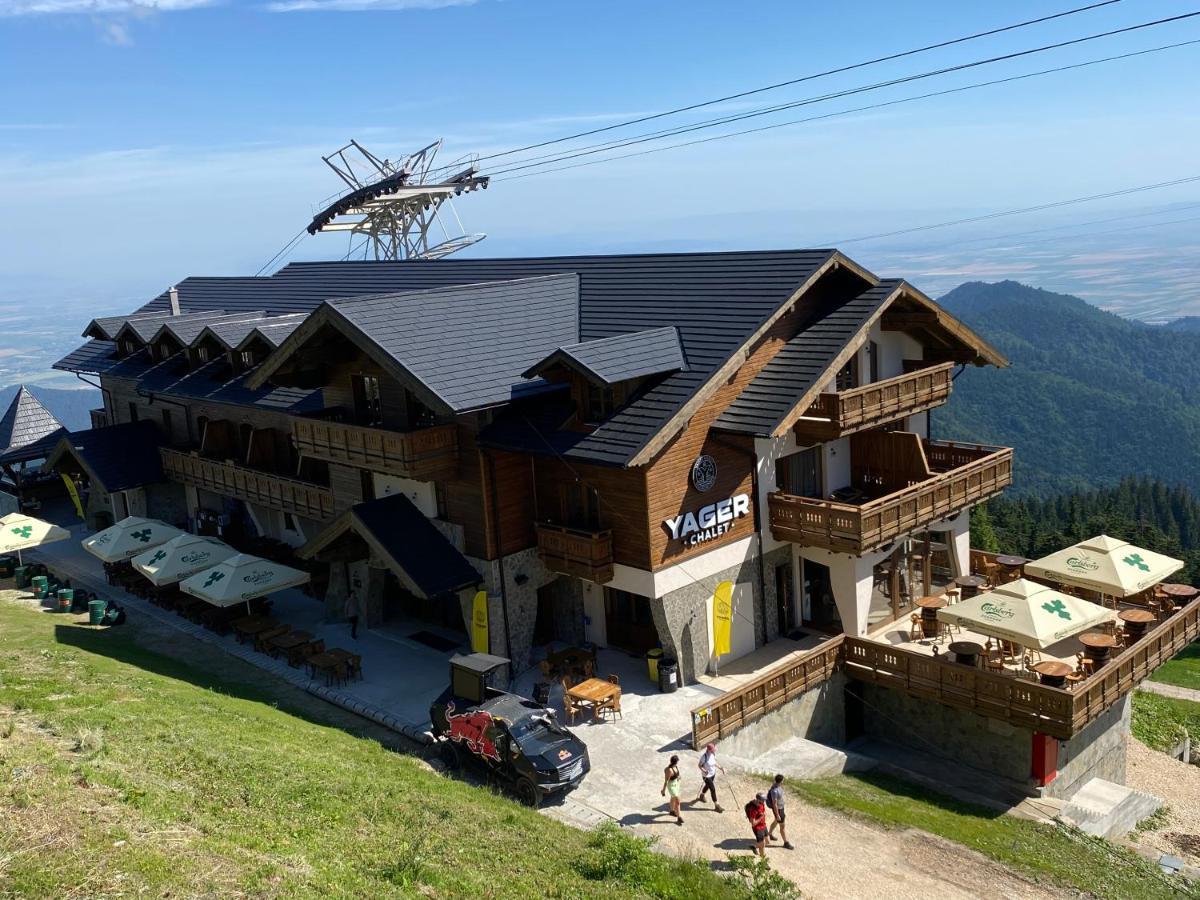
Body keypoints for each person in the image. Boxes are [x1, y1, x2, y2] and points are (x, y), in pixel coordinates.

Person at [695, 743, 724, 812]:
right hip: (706, 776)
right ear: (709, 750)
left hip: (713, 774)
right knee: (713, 789)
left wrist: (720, 767)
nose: (714, 751)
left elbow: (714, 762)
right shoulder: (704, 757)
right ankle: (717, 805)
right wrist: (704, 770)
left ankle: (702, 795)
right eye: (713, 750)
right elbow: (699, 765)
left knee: (708, 786)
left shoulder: (713, 754)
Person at [767, 774, 793, 849]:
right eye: (783, 781)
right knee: (782, 826)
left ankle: (769, 834)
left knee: (776, 821)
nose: (783, 782)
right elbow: (774, 804)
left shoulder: (776, 785)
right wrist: (777, 814)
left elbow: (774, 780)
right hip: (778, 809)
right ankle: (786, 842)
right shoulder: (774, 791)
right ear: (781, 781)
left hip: (781, 807)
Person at [661, 755, 684, 825]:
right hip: (671, 786)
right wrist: (663, 790)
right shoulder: (670, 770)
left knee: (673, 798)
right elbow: (666, 781)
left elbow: (676, 775)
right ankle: (679, 817)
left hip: (676, 785)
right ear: (675, 762)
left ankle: (671, 811)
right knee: (677, 801)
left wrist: (678, 777)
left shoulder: (675, 767)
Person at [745, 792, 769, 858]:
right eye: (763, 800)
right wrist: (761, 817)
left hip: (764, 825)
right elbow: (753, 824)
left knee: (767, 841)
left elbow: (762, 812)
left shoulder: (762, 804)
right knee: (762, 845)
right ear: (758, 799)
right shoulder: (754, 809)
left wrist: (762, 816)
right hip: (758, 829)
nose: (764, 801)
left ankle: (754, 846)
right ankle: (763, 862)